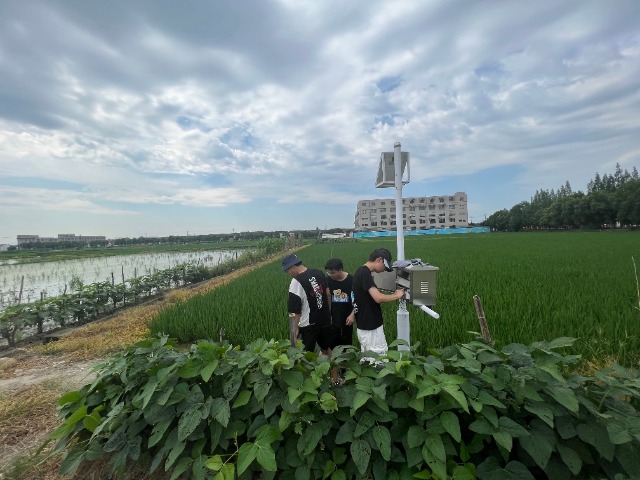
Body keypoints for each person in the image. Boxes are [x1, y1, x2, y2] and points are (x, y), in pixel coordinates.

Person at [352, 247, 405, 357]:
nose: (384, 270)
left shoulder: (360, 272)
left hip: (364, 325)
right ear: (379, 259)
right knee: (378, 359)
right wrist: (397, 295)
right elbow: (378, 298)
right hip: (371, 326)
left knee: (368, 359)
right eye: (385, 267)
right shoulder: (364, 273)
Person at [282, 253, 333, 353]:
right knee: (326, 348)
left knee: (306, 354)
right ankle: (331, 368)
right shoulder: (318, 272)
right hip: (324, 319)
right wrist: (328, 312)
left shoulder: (296, 281)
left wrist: (294, 329)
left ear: (292, 266)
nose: (288, 273)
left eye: (287, 270)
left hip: (308, 325)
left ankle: (311, 369)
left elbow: (294, 311)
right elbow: (328, 294)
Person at [324, 258, 355, 349]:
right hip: (332, 318)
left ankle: (345, 361)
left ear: (340, 270)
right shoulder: (327, 280)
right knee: (332, 343)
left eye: (333, 273)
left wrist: (353, 315)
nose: (330, 275)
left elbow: (357, 299)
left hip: (347, 317)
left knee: (346, 342)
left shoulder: (352, 280)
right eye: (329, 272)